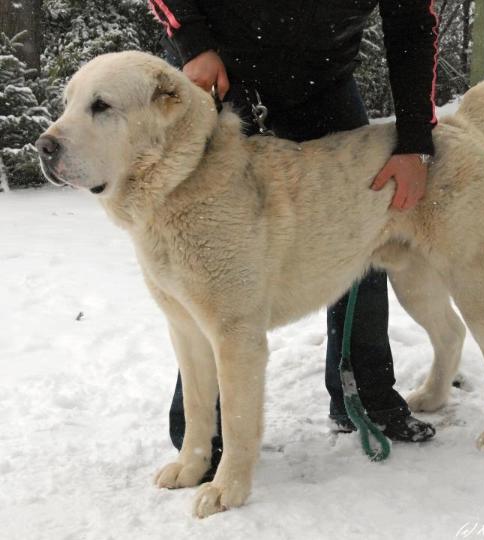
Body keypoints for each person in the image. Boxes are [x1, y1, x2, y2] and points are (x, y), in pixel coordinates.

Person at [149, 0, 439, 476]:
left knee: (358, 231)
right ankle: (206, 434)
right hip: (219, 70)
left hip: (322, 81)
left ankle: (362, 395)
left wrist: (413, 142)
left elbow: (411, 26)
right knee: (208, 261)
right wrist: (195, 44)